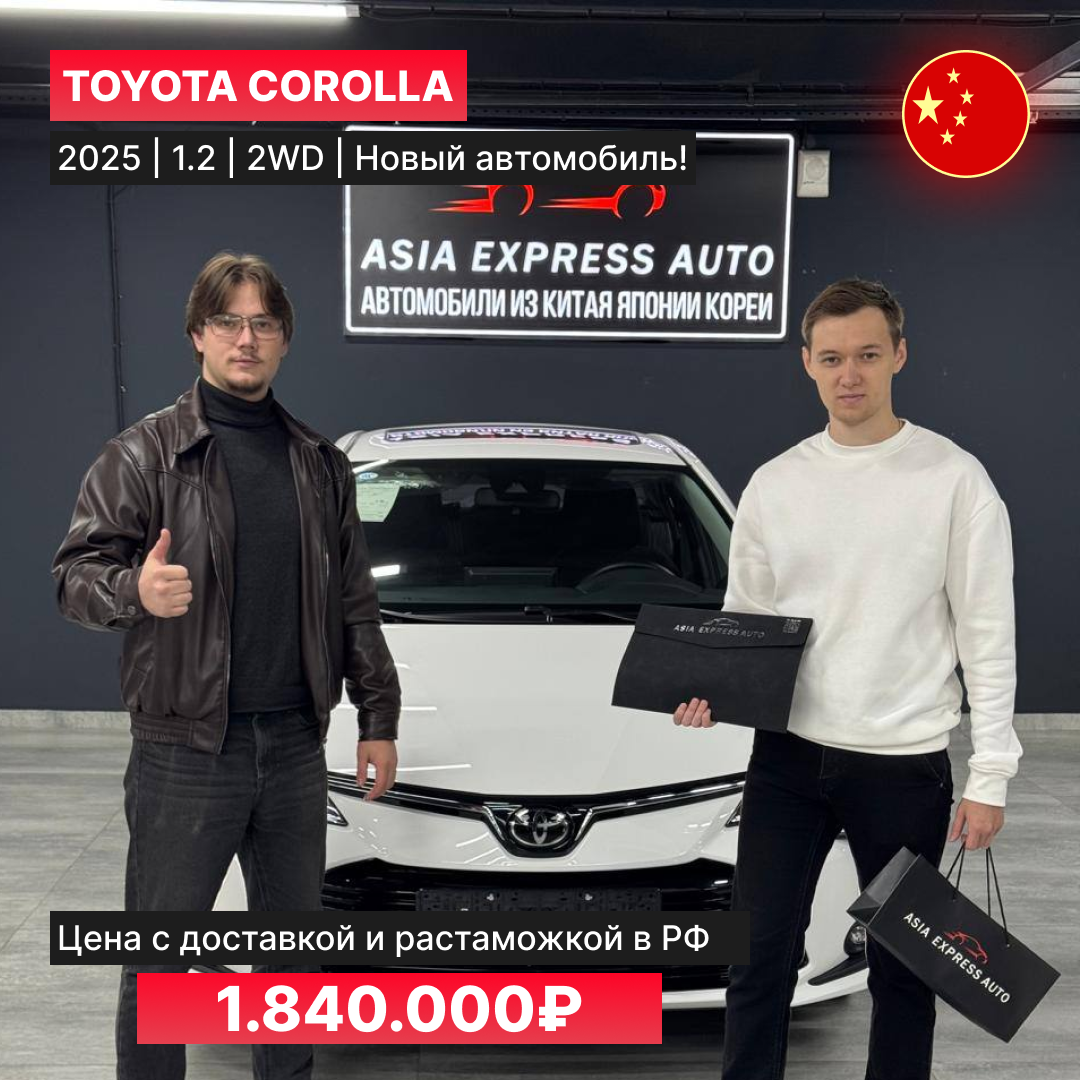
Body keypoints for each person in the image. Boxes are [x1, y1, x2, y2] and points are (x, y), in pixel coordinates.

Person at [53, 251, 401, 1080]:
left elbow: (353, 600)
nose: (246, 339)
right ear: (197, 334)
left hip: (293, 749)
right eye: (228, 321)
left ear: (284, 340)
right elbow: (73, 577)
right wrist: (134, 590)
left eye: (263, 323)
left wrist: (378, 716)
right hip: (184, 752)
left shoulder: (319, 462)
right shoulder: (142, 455)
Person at [674, 278, 1021, 1080]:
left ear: (899, 354)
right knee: (756, 958)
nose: (850, 374)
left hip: (902, 767)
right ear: (808, 364)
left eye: (867, 354)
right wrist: (712, 688)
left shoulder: (954, 480)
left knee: (902, 974)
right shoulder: (777, 482)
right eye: (831, 359)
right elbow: (747, 618)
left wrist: (991, 776)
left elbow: (989, 635)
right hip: (787, 762)